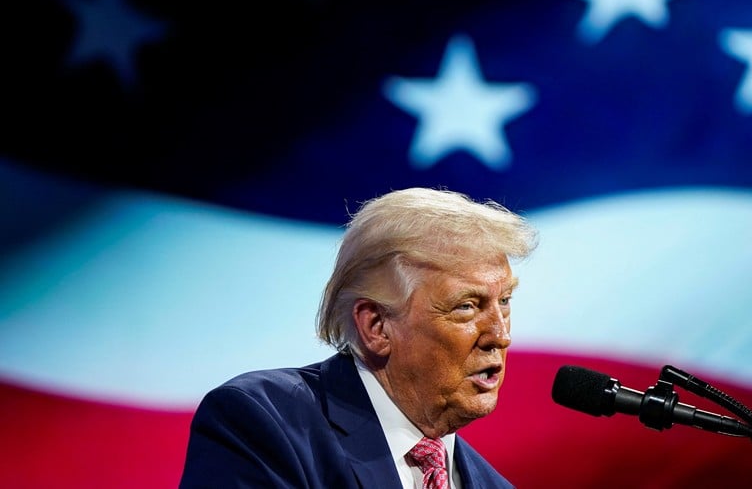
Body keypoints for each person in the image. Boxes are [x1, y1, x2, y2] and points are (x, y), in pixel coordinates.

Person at [178, 187, 539, 488]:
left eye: (504, 301)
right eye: (466, 306)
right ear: (376, 326)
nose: (500, 335)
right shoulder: (265, 425)